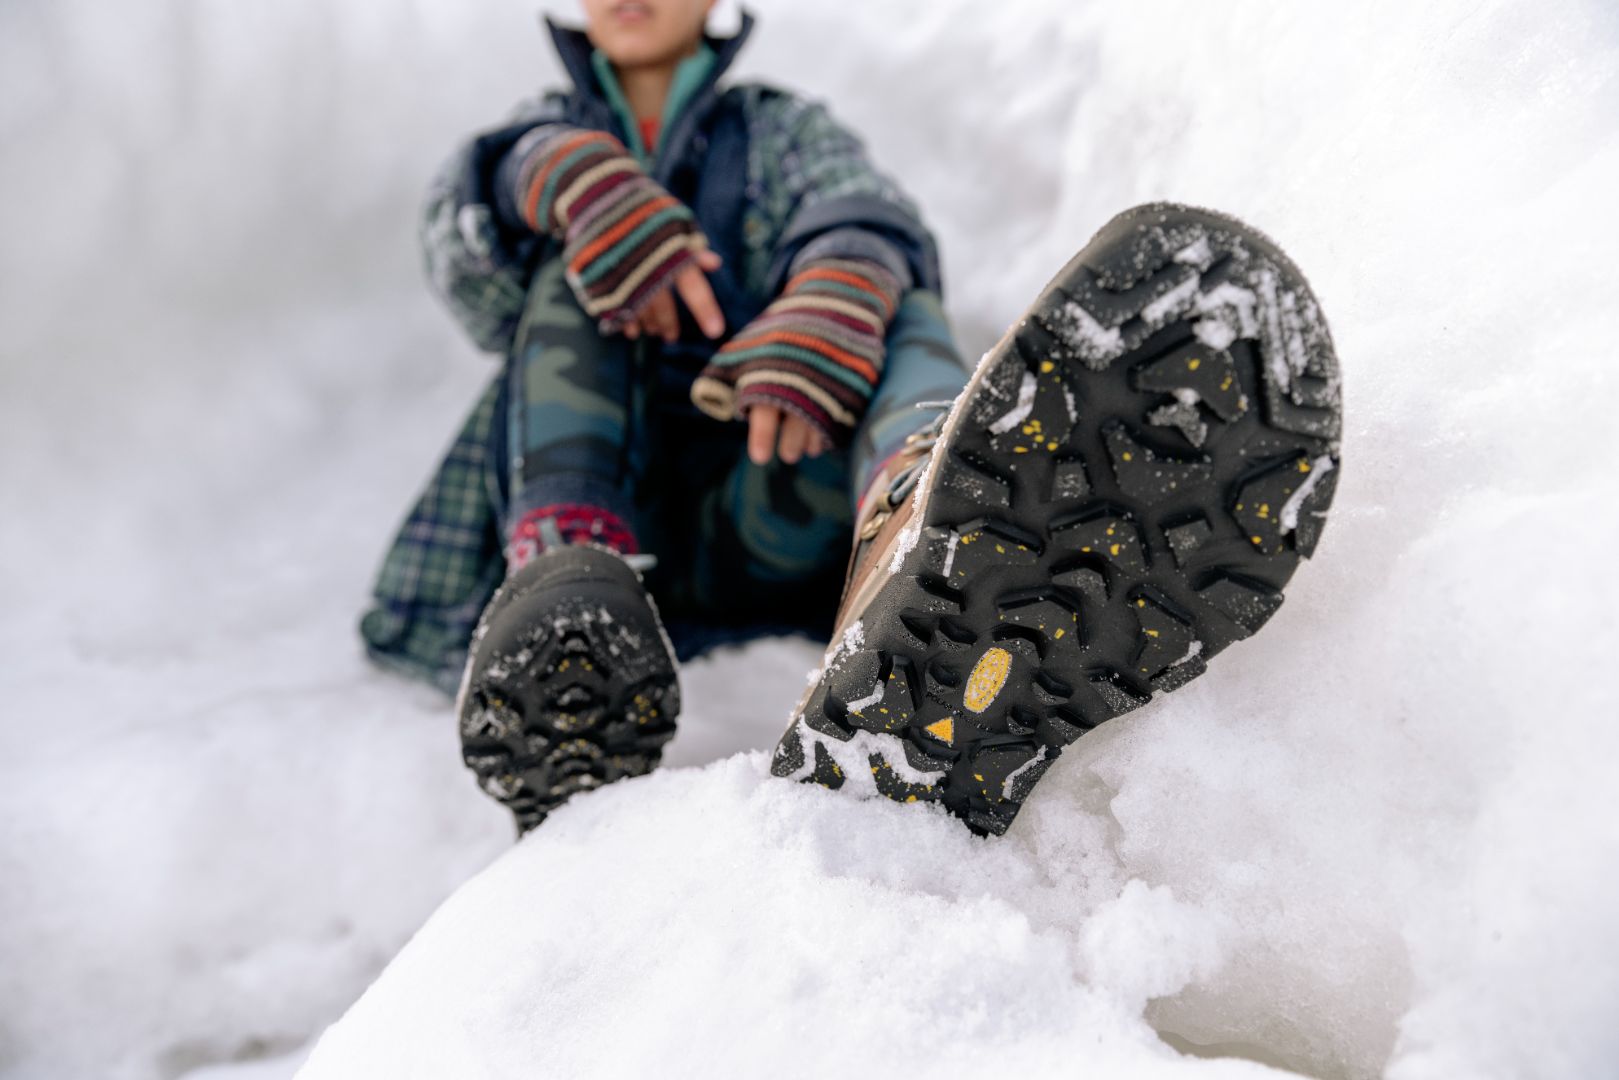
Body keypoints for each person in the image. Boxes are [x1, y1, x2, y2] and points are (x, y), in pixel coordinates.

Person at [361, 0, 1344, 838]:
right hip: (622, 531)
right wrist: (550, 173)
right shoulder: (534, 134)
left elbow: (859, 204)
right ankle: (561, 587)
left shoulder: (775, 129)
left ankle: (918, 530)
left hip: (778, 493)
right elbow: (470, 273)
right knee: (563, 290)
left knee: (893, 300)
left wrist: (839, 281)